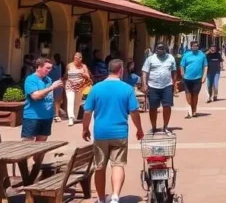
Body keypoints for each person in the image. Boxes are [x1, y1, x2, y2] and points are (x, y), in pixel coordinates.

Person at [82, 59, 144, 203]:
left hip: (101, 133)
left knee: (100, 166)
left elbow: (87, 111)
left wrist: (85, 129)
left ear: (108, 70)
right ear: (121, 70)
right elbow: (134, 112)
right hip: (119, 132)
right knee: (118, 164)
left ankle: (101, 199)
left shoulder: (96, 88)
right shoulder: (127, 89)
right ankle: (115, 196)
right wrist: (139, 129)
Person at [22, 57, 61, 167]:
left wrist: (55, 113)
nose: (49, 70)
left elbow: (50, 98)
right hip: (32, 116)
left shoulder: (48, 80)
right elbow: (35, 96)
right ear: (39, 67)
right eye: (47, 68)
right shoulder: (31, 79)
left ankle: (36, 168)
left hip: (46, 117)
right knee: (27, 145)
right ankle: (25, 168)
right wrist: (51, 88)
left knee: (41, 145)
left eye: (50, 68)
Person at [142, 43, 178, 133]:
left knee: (167, 106)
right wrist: (144, 84)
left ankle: (165, 127)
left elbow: (174, 71)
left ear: (165, 49)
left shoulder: (171, 58)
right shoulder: (150, 59)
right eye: (158, 48)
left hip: (167, 86)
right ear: (155, 49)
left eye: (162, 48)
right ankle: (154, 127)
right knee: (153, 108)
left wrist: (175, 84)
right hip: (153, 86)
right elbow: (144, 72)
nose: (160, 50)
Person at [180, 40, 208, 119]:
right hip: (187, 78)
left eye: (196, 46)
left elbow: (205, 66)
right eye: (193, 46)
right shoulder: (186, 55)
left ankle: (194, 110)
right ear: (191, 46)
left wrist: (204, 76)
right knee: (188, 94)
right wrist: (182, 74)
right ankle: (189, 111)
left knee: (195, 95)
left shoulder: (202, 55)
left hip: (198, 78)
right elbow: (182, 65)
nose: (195, 47)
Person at [65, 52, 92, 126]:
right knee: (70, 101)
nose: (77, 59)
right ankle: (70, 117)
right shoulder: (69, 65)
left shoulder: (84, 66)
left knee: (77, 103)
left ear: (81, 58)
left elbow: (88, 76)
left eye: (78, 58)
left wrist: (83, 74)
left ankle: (74, 118)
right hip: (70, 86)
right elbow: (66, 75)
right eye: (75, 57)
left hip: (80, 87)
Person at [50, 53, 65, 122]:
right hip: (59, 83)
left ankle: (55, 114)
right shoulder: (60, 65)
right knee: (57, 100)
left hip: (53, 84)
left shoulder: (53, 67)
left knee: (54, 100)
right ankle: (57, 114)